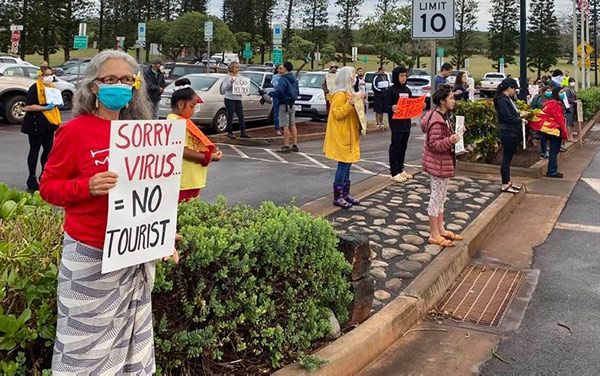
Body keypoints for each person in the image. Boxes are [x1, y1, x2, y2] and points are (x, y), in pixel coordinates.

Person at [40, 50, 178, 374]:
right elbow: (48, 187)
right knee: (83, 352)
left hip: (133, 253)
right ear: (93, 87)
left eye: (126, 80)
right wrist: (85, 187)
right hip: (89, 256)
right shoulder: (74, 132)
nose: (119, 85)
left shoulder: (143, 136)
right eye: (110, 79)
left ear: (135, 87)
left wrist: (162, 232)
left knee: (131, 348)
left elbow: (151, 196)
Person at [167, 78, 223, 202]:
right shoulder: (175, 123)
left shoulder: (181, 121)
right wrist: (209, 157)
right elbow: (182, 151)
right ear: (181, 104)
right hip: (185, 180)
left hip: (191, 180)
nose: (193, 111)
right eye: (192, 106)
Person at [421, 84, 462, 248]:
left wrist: (457, 135)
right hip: (437, 164)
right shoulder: (437, 121)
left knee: (441, 197)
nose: (454, 101)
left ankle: (440, 229)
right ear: (443, 101)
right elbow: (435, 144)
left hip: (442, 163)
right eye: (451, 98)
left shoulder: (443, 117)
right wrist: (450, 141)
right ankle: (434, 233)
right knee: (436, 198)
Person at [323, 66, 361, 209]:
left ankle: (345, 193)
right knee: (343, 164)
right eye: (352, 74)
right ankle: (338, 196)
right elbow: (337, 114)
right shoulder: (339, 94)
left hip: (350, 134)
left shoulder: (349, 92)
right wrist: (350, 104)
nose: (354, 77)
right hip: (342, 135)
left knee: (348, 163)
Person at [21, 66, 61, 191]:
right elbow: (27, 107)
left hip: (49, 124)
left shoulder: (52, 88)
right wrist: (44, 108)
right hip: (35, 124)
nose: (50, 77)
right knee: (34, 150)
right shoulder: (35, 88)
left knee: (48, 150)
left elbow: (56, 103)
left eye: (51, 74)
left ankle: (44, 175)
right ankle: (31, 178)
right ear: (40, 76)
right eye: (47, 74)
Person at [493, 77, 524, 194]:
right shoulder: (502, 100)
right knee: (506, 158)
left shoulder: (507, 99)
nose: (515, 91)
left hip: (511, 131)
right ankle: (505, 183)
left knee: (509, 158)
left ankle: (508, 181)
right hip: (507, 132)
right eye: (514, 89)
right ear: (509, 88)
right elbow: (507, 117)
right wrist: (519, 119)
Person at [530, 87, 569, 178]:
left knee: (553, 151)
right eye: (561, 92)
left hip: (548, 129)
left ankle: (552, 170)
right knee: (553, 151)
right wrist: (564, 132)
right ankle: (552, 171)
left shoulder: (550, 103)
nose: (563, 94)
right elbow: (559, 119)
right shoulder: (555, 105)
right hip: (553, 130)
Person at [384, 66, 414, 183]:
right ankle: (394, 171)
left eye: (405, 76)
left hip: (406, 122)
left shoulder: (407, 90)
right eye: (401, 76)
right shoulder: (390, 91)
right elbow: (384, 106)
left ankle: (401, 169)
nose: (403, 78)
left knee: (403, 146)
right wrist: (392, 107)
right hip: (396, 123)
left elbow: (411, 104)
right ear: (396, 77)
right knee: (395, 147)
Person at [269, 61, 300, 153]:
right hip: (292, 103)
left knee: (285, 125)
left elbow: (279, 90)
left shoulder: (283, 79)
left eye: (282, 66)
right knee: (293, 124)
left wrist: (271, 94)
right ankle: (295, 144)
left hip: (284, 104)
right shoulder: (294, 79)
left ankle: (286, 145)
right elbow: (297, 91)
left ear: (285, 68)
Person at [221, 61, 251, 139]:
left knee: (241, 115)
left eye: (238, 67)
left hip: (238, 98)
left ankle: (243, 131)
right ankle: (229, 131)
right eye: (236, 67)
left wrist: (246, 91)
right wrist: (230, 83)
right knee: (230, 116)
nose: (238, 69)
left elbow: (243, 86)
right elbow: (224, 89)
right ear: (231, 68)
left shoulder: (240, 77)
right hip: (230, 98)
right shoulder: (227, 77)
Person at [530, 86, 551, 158]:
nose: (549, 92)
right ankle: (544, 151)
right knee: (544, 136)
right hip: (541, 119)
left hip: (542, 119)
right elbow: (542, 108)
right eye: (548, 91)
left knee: (544, 136)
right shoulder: (541, 99)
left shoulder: (545, 98)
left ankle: (545, 150)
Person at [564, 77, 577, 141]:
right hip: (569, 107)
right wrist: (573, 101)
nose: (573, 83)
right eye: (571, 82)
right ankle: (569, 136)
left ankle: (570, 133)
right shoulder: (567, 89)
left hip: (573, 107)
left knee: (571, 121)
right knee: (568, 122)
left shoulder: (572, 89)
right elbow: (567, 98)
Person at [272, 65, 283, 135]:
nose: (282, 69)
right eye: (280, 68)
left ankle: (284, 127)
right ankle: (277, 128)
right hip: (277, 95)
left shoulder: (286, 76)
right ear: (277, 69)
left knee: (284, 112)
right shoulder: (275, 77)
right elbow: (276, 85)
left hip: (284, 96)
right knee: (277, 112)